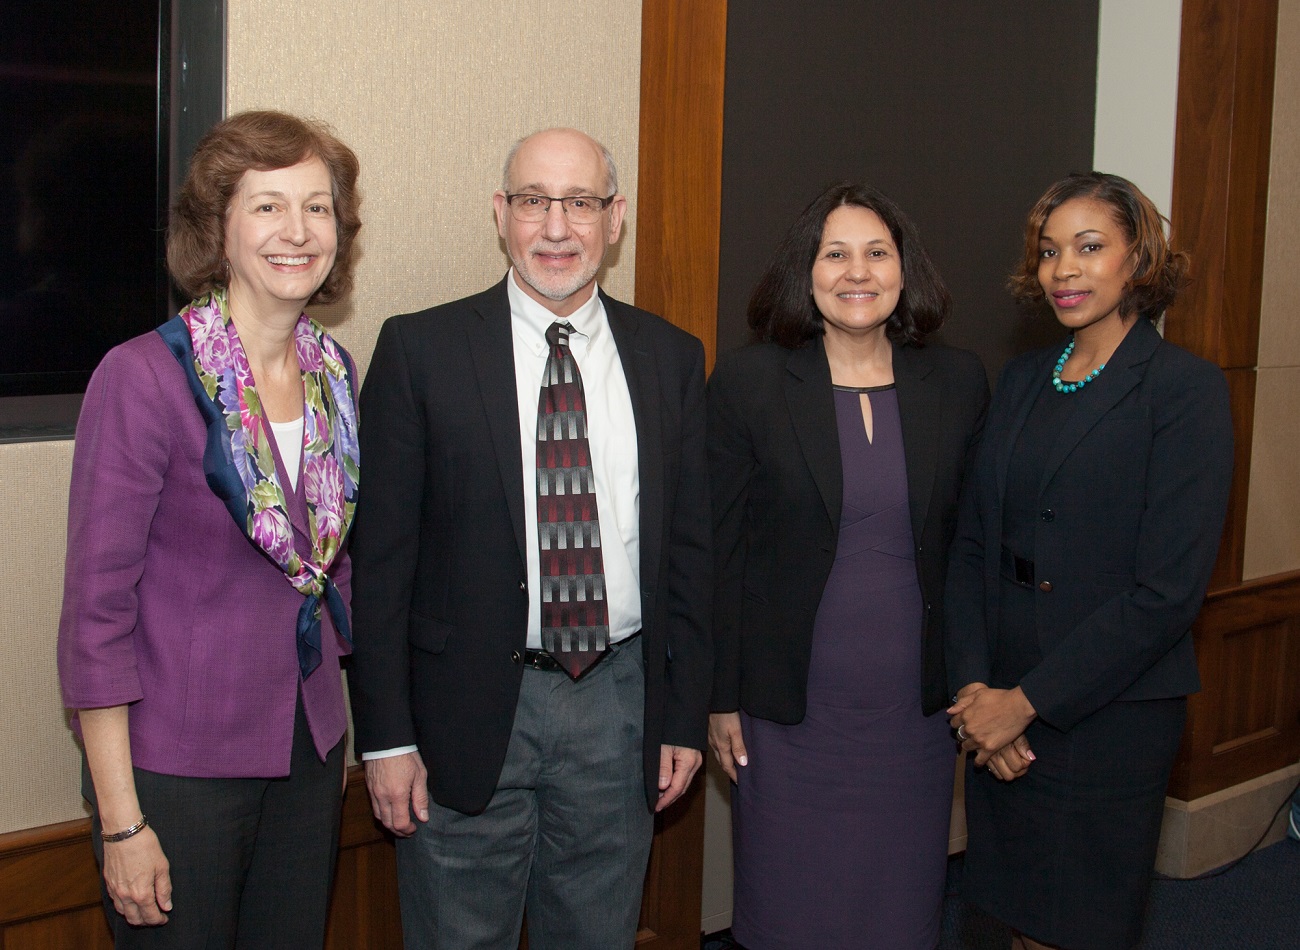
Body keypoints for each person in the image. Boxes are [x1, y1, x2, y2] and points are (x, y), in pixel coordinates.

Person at [347, 127, 712, 950]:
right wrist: (386, 736)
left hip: (619, 707)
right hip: (462, 714)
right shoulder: (421, 350)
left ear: (615, 217)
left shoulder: (670, 359)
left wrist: (684, 717)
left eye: (579, 202)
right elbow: (381, 566)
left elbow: (692, 558)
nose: (556, 227)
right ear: (500, 212)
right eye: (533, 201)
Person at [56, 110, 362, 948]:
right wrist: (121, 820)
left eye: (317, 207)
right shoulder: (143, 377)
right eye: (267, 206)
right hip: (175, 769)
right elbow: (96, 616)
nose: (297, 230)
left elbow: (331, 570)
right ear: (217, 230)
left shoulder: (335, 374)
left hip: (307, 752)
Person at [945, 172, 1234, 950]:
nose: (1063, 269)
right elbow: (972, 542)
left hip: (1108, 712)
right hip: (998, 699)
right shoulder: (1022, 378)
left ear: (1138, 258)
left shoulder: (1185, 390)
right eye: (1048, 251)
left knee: (1070, 926)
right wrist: (975, 691)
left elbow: (1168, 593)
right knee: (1001, 917)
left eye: (1089, 246)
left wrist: (1027, 703)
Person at [707, 182, 988, 949]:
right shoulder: (750, 382)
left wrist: (977, 678)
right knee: (788, 907)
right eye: (835, 254)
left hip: (914, 713)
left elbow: (971, 547)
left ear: (904, 270)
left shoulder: (958, 382)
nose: (857, 272)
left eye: (876, 253)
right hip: (787, 708)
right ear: (806, 272)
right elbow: (718, 552)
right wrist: (719, 696)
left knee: (898, 907)